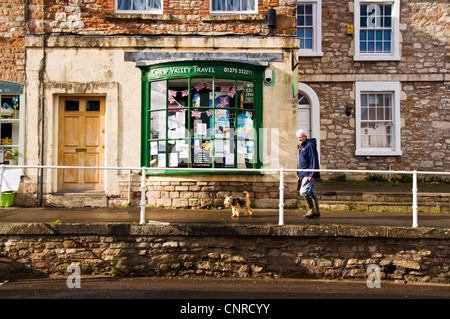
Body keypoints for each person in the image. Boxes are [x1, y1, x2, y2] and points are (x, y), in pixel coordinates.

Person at [296, 129, 320, 219]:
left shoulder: (309, 145)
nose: (299, 139)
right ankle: (316, 211)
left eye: (301, 137)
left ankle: (311, 210)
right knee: (312, 192)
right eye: (298, 138)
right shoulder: (302, 146)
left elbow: (313, 160)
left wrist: (312, 174)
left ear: (305, 137)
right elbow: (302, 162)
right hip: (304, 173)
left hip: (309, 173)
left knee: (304, 191)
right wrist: (300, 175)